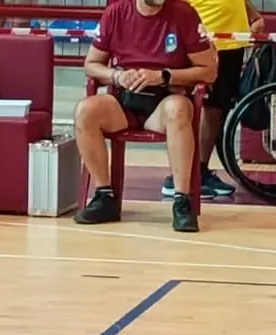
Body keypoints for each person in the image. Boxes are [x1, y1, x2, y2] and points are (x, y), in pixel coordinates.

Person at [74, 0, 218, 232]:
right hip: (124, 100)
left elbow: (209, 71)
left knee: (178, 109)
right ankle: (105, 195)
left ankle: (182, 201)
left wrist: (164, 75)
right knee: (85, 111)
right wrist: (116, 76)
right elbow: (91, 64)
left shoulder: (184, 13)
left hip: (164, 99)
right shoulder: (116, 13)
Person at [160, 0, 265, 199]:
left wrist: (253, 15)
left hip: (231, 41)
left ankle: (200, 170)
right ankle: (179, 177)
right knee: (201, 108)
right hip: (206, 41)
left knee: (216, 108)